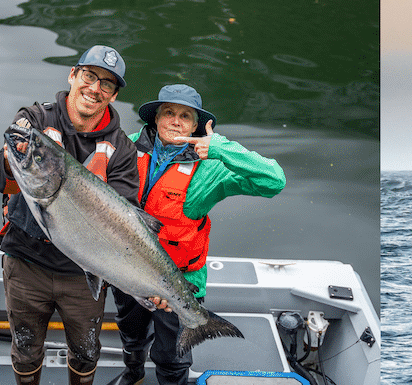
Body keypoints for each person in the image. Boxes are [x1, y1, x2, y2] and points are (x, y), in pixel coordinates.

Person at [112, 84, 286, 385]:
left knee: (172, 355)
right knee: (131, 334)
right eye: (169, 113)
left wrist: (220, 147)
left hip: (180, 280)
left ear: (195, 125)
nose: (176, 121)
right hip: (129, 272)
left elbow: (274, 181)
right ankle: (134, 374)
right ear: (155, 118)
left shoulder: (212, 166)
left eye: (185, 116)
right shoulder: (126, 147)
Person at [0, 45, 140, 385]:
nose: (94, 88)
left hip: (83, 275)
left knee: (87, 352)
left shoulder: (123, 150)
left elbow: (125, 219)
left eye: (106, 84)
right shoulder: (35, 119)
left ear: (113, 96)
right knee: (26, 349)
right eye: (89, 76)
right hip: (26, 262)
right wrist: (13, 161)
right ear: (72, 75)